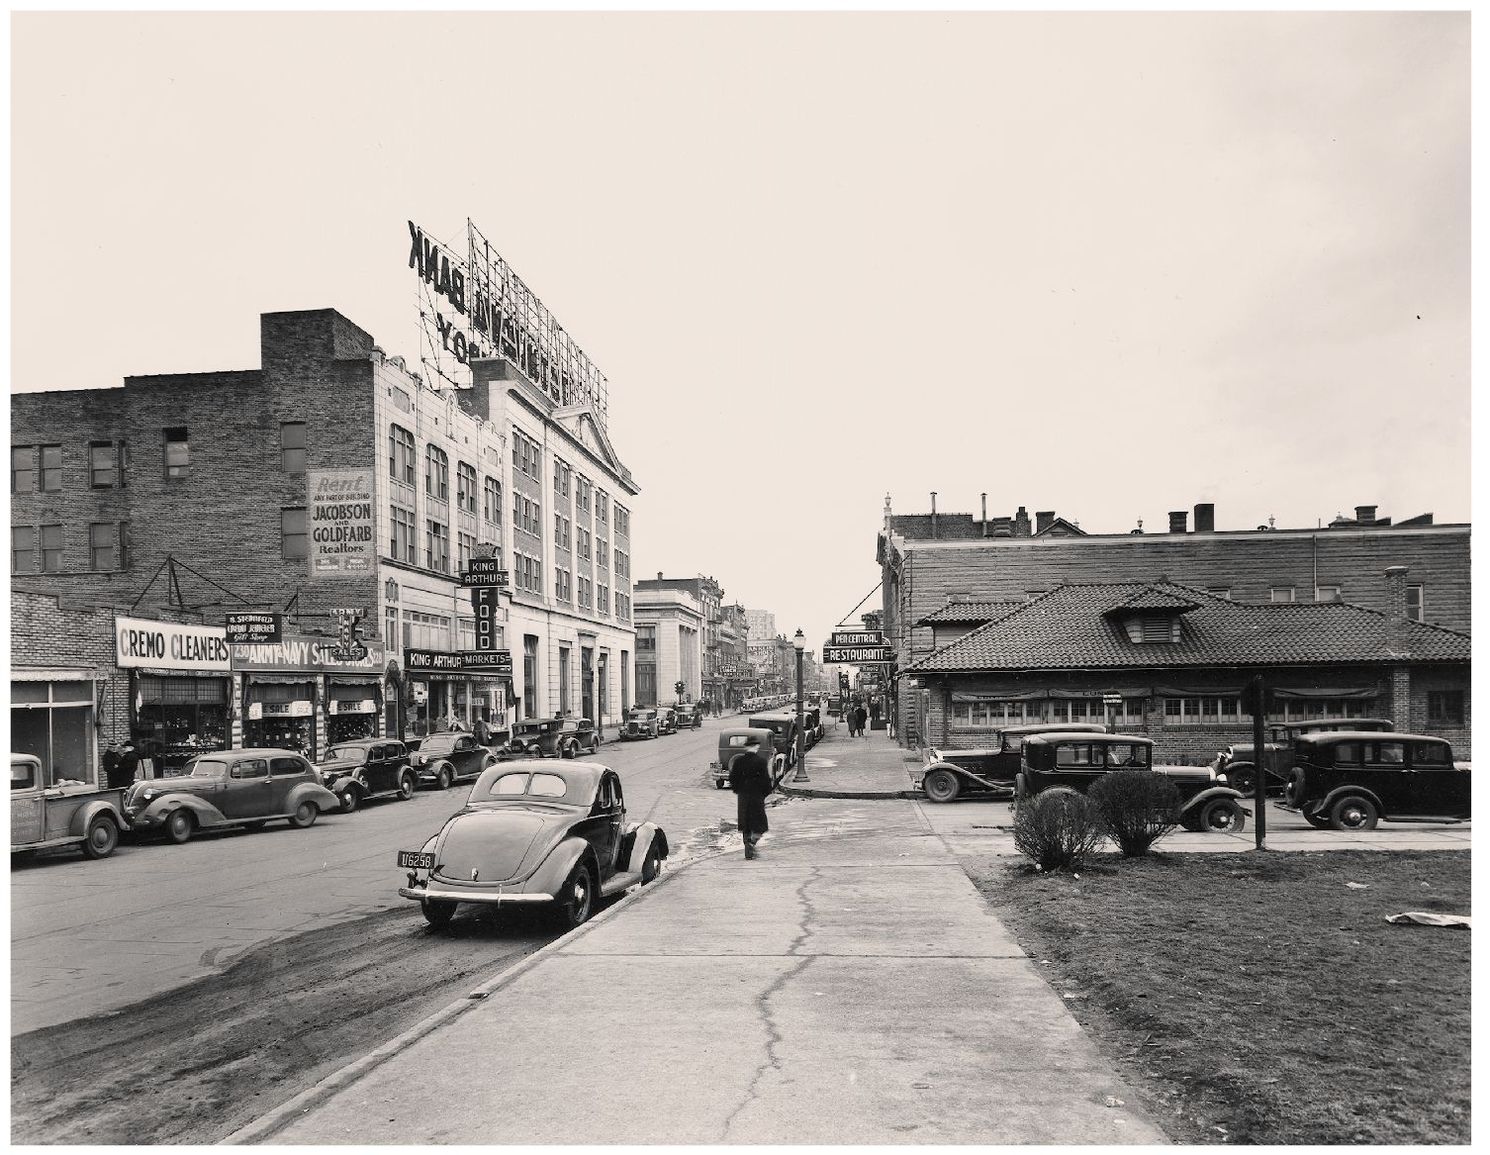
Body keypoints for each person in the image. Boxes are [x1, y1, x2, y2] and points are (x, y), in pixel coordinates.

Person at [727, 737, 773, 860]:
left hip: (743, 796)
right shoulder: (761, 762)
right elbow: (766, 781)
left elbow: (732, 779)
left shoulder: (739, 761)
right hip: (756, 796)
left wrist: (738, 790)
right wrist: (764, 793)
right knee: (760, 824)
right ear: (756, 747)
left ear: (746, 747)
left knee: (745, 823)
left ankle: (747, 845)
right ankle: (752, 842)